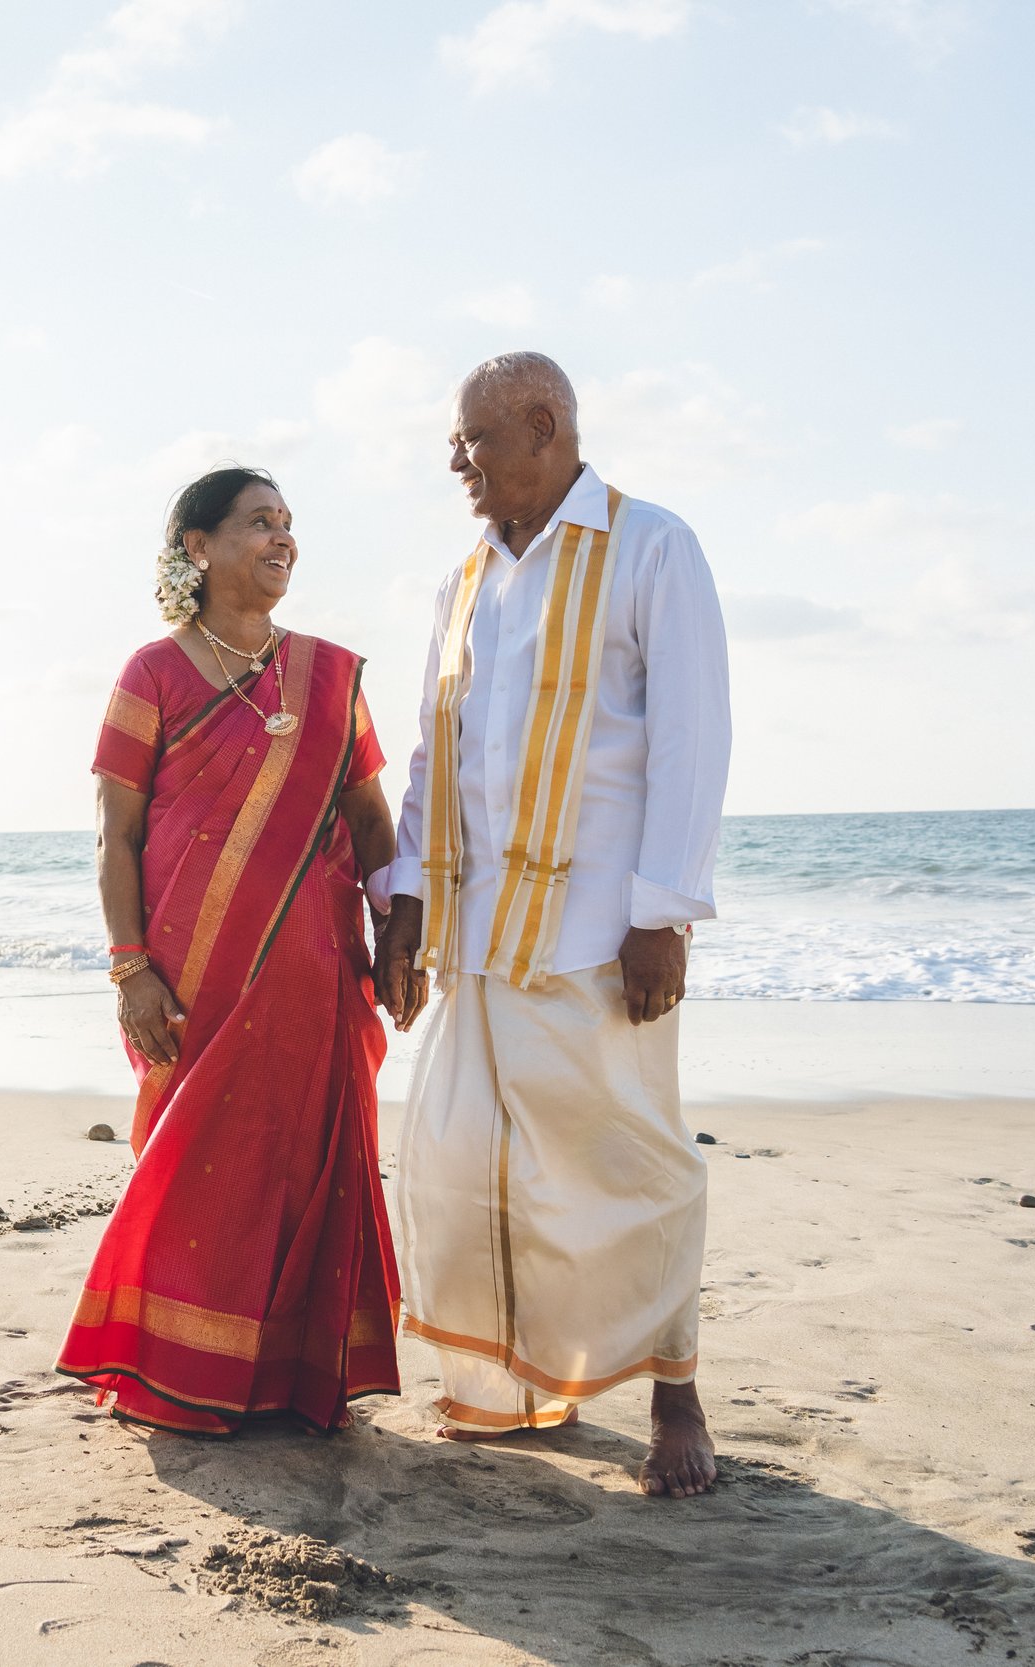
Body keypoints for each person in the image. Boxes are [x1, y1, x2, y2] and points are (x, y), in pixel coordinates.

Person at [373, 353, 731, 1498]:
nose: (455, 462)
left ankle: (675, 1390)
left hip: (595, 931)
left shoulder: (651, 545)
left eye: (469, 439)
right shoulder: (465, 579)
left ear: (542, 425)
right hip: (477, 934)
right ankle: (510, 1386)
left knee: (631, 1165)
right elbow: (437, 752)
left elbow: (690, 734)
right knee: (465, 1162)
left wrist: (662, 912)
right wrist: (408, 900)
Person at [55, 466, 403, 1435]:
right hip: (192, 974)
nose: (281, 538)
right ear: (197, 546)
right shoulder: (151, 673)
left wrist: (399, 932)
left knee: (311, 1162)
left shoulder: (332, 674)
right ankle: (177, 1365)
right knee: (199, 1162)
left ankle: (293, 1375)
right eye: (258, 522)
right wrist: (129, 967)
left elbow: (372, 821)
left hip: (318, 975)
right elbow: (114, 835)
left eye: (289, 523)